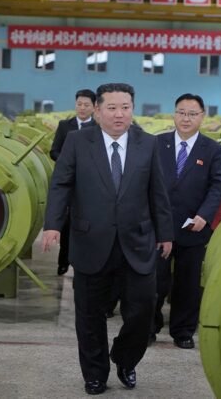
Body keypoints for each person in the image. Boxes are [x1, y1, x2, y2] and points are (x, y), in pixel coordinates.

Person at [42, 83, 173, 395]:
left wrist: (165, 233)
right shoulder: (77, 141)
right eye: (112, 108)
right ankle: (95, 374)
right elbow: (61, 184)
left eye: (125, 107)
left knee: (143, 311)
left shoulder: (147, 143)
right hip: (91, 241)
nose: (119, 114)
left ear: (132, 109)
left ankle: (125, 359)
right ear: (98, 111)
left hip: (137, 242)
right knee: (89, 315)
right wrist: (53, 224)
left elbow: (158, 191)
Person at [150, 94, 221, 349]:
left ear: (202, 117)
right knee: (154, 281)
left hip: (193, 227)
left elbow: (217, 186)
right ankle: (149, 327)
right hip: (159, 227)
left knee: (187, 283)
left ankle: (182, 331)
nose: (186, 118)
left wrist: (204, 215)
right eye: (181, 112)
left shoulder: (213, 149)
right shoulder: (157, 144)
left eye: (192, 114)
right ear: (174, 114)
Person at [49, 89, 98, 275]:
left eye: (86, 105)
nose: (82, 108)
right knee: (67, 223)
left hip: (90, 183)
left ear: (94, 107)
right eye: (79, 104)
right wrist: (67, 162)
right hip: (69, 182)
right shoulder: (65, 126)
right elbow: (54, 151)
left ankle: (85, 263)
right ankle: (63, 261)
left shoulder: (98, 127)